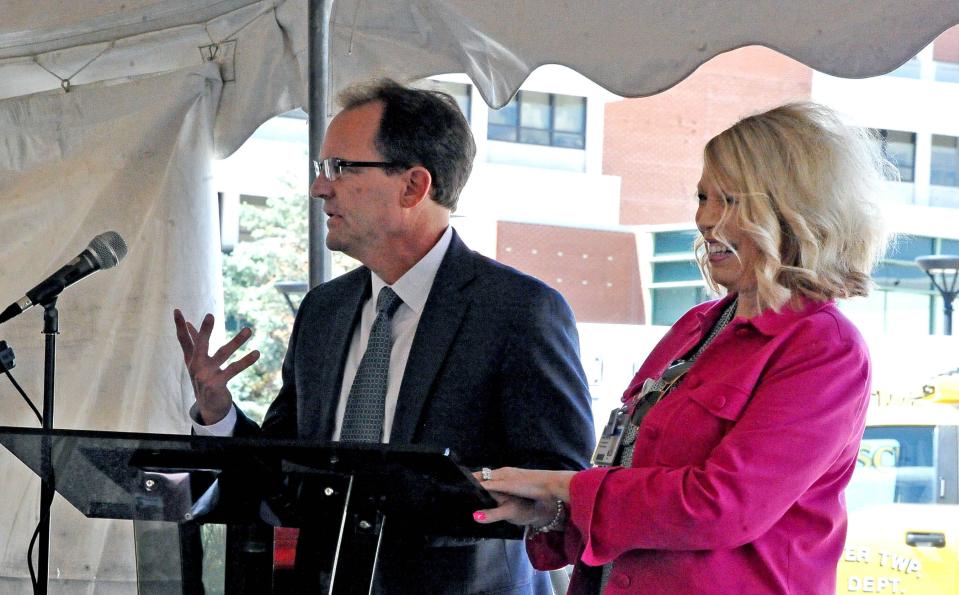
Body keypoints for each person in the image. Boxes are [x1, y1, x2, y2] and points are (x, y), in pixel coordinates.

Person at [172, 78, 595, 594]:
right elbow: (284, 471)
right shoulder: (323, 311)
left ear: (413, 186)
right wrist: (219, 414)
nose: (319, 188)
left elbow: (560, 482)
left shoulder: (518, 311)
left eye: (340, 168)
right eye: (321, 169)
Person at [472, 102, 891, 594]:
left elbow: (723, 506)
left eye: (730, 201)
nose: (705, 219)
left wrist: (563, 488)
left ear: (791, 209)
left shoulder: (824, 347)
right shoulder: (697, 325)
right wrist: (556, 510)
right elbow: (634, 479)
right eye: (702, 197)